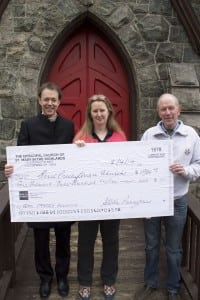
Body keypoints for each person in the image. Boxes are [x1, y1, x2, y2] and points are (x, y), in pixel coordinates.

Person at [5, 82, 75, 299]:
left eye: (54, 100)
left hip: (62, 194)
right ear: (39, 101)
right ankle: (45, 277)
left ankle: (62, 277)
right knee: (41, 239)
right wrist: (12, 168)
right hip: (39, 196)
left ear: (59, 101)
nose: (50, 103)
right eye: (46, 99)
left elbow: (73, 157)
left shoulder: (68, 125)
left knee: (64, 238)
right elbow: (21, 157)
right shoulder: (28, 125)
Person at [134, 93, 200, 300]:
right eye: (163, 109)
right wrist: (143, 203)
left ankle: (173, 287)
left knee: (173, 248)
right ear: (158, 112)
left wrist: (186, 171)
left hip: (178, 201)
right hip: (153, 202)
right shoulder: (148, 135)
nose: (168, 112)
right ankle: (150, 283)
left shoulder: (192, 135)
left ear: (179, 109)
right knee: (151, 246)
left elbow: (199, 165)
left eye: (171, 108)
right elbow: (139, 168)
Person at [74, 94, 126, 300]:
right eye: (95, 111)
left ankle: (109, 281)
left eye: (102, 110)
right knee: (85, 242)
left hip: (112, 201)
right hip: (88, 201)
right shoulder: (82, 137)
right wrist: (76, 152)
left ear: (108, 112)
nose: (98, 114)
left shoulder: (120, 137)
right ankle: (85, 282)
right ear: (90, 113)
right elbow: (72, 170)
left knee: (111, 242)